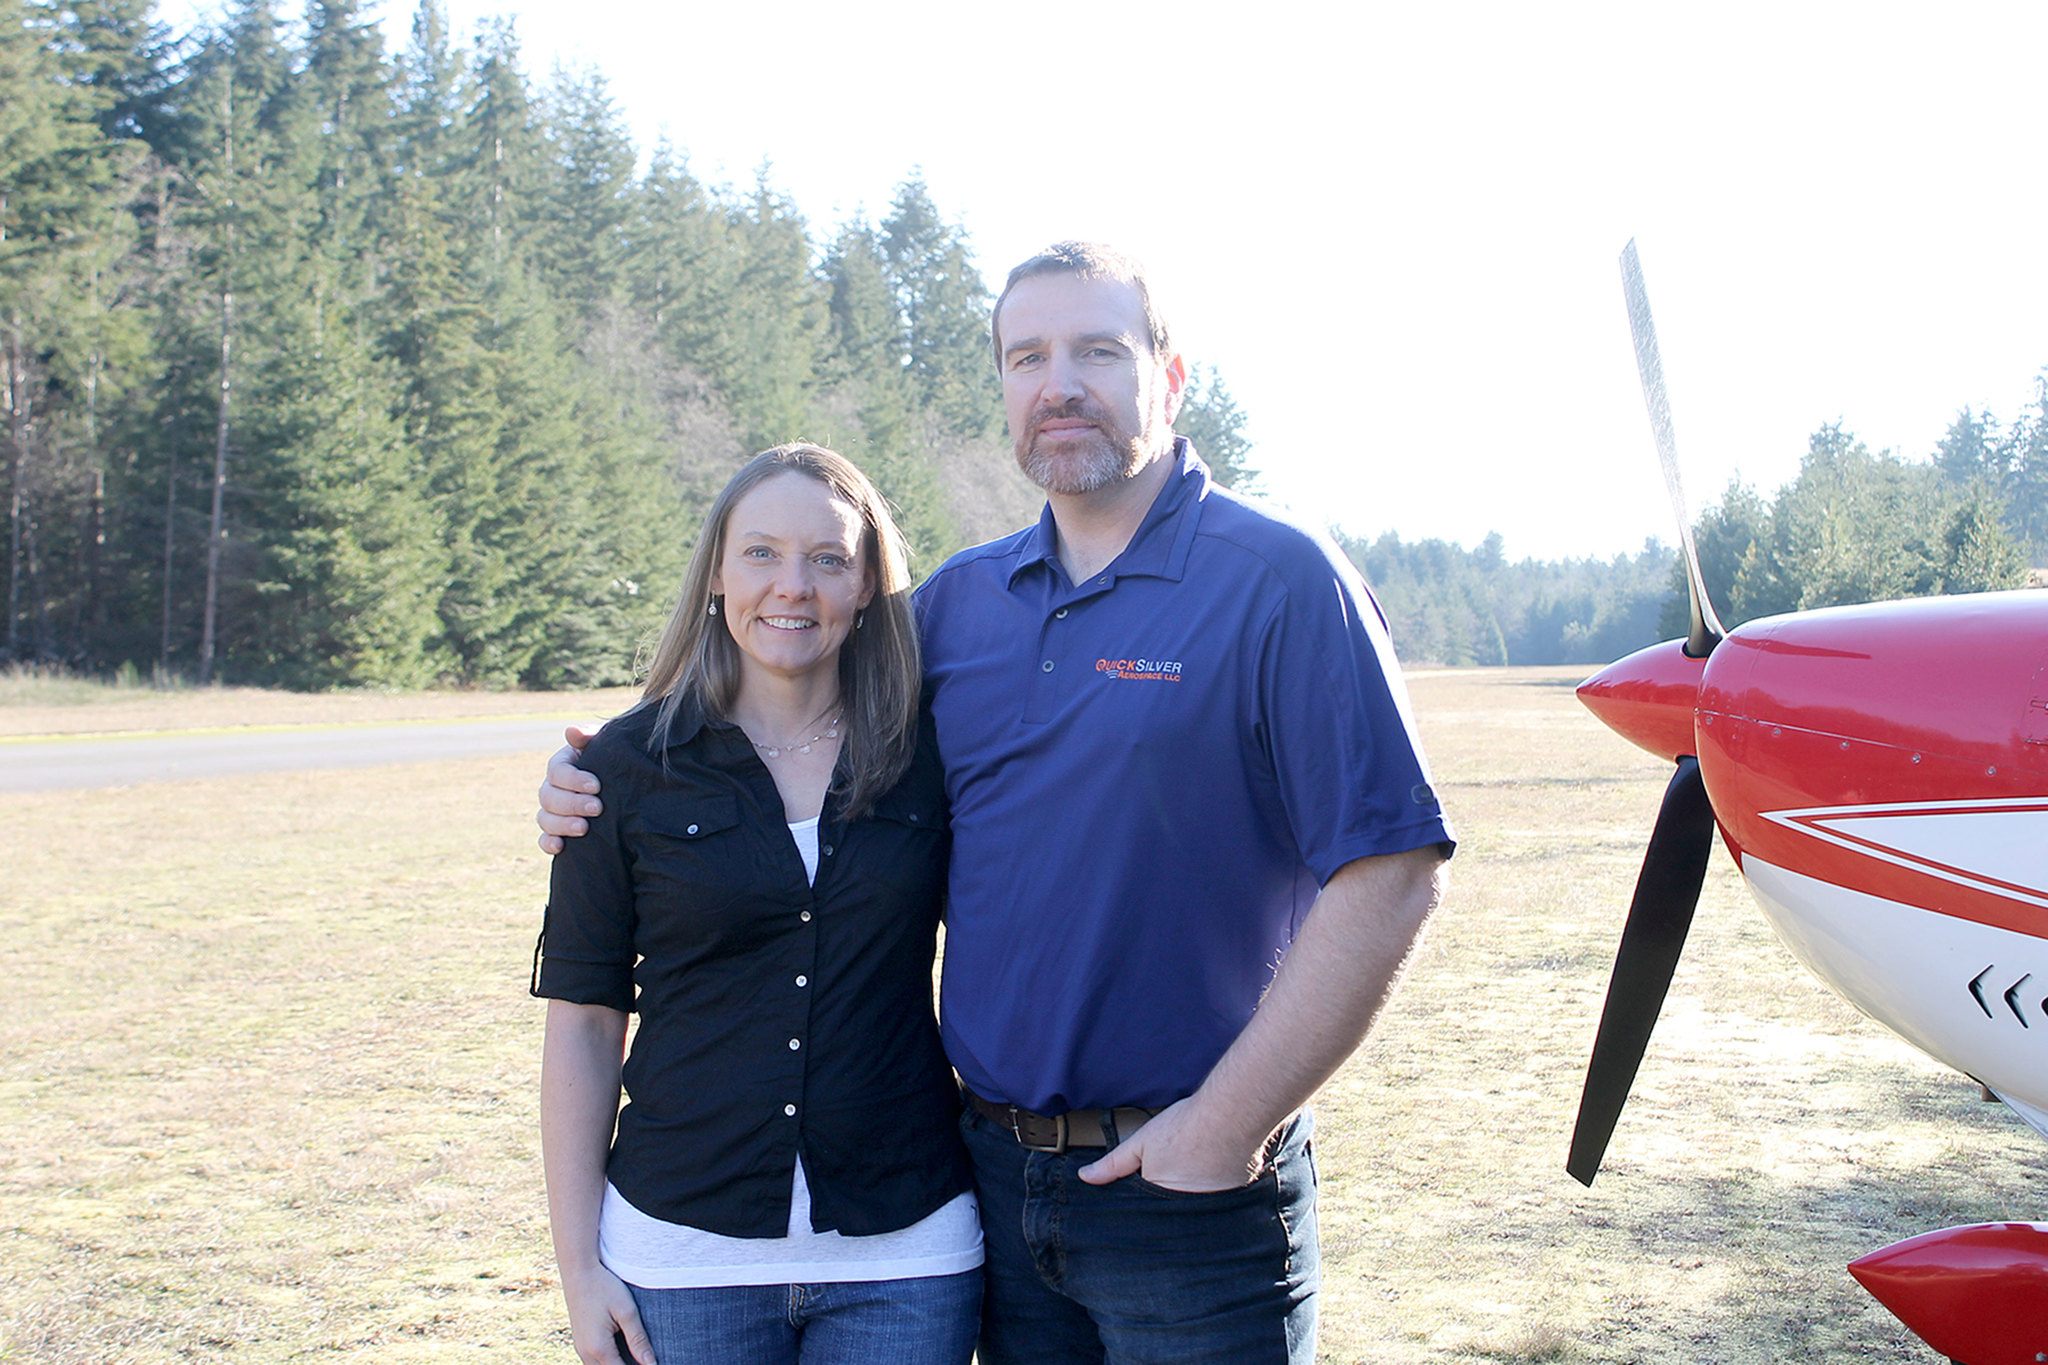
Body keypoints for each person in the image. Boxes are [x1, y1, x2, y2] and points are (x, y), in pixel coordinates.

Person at [540, 244, 1453, 1364]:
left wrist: (1223, 1128)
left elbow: (1392, 872)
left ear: (1168, 377)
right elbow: (785, 663)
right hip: (992, 1190)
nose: (1057, 384)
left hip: (1190, 1196)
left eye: (1096, 351)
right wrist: (601, 770)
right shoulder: (955, 612)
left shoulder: (1279, 580)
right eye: (1027, 356)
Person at [533, 443, 982, 1365]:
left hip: (909, 1255)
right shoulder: (619, 771)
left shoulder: (931, 759)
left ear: (867, 585)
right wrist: (580, 1271)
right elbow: (583, 1025)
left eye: (828, 558)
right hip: (679, 1261)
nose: (794, 586)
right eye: (762, 553)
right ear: (715, 575)